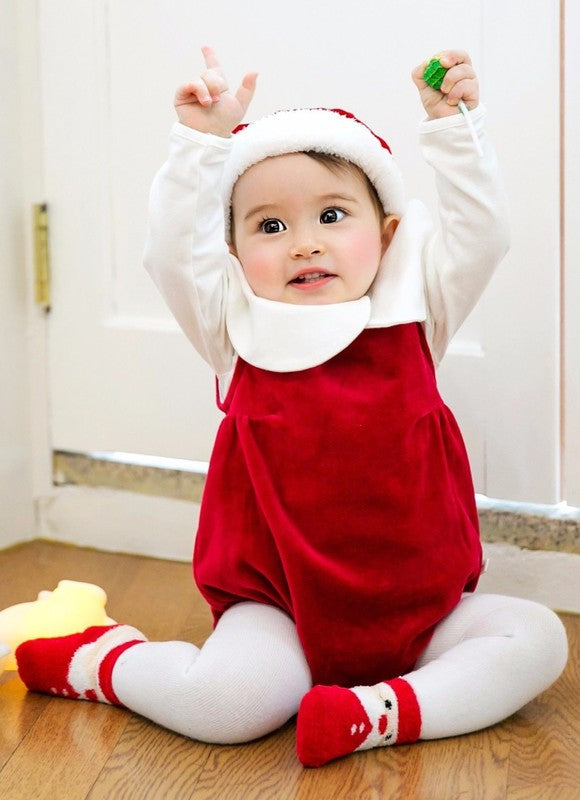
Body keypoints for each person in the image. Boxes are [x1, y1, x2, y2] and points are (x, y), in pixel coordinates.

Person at [15, 47, 567, 768]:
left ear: (389, 234)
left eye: (332, 215)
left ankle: (376, 713)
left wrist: (453, 126)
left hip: (424, 611)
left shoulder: (418, 308)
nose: (304, 242)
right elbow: (172, 255)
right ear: (235, 253)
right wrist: (201, 144)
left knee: (538, 638)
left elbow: (483, 235)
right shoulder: (233, 326)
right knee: (229, 705)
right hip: (280, 609)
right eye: (269, 227)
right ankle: (104, 661)